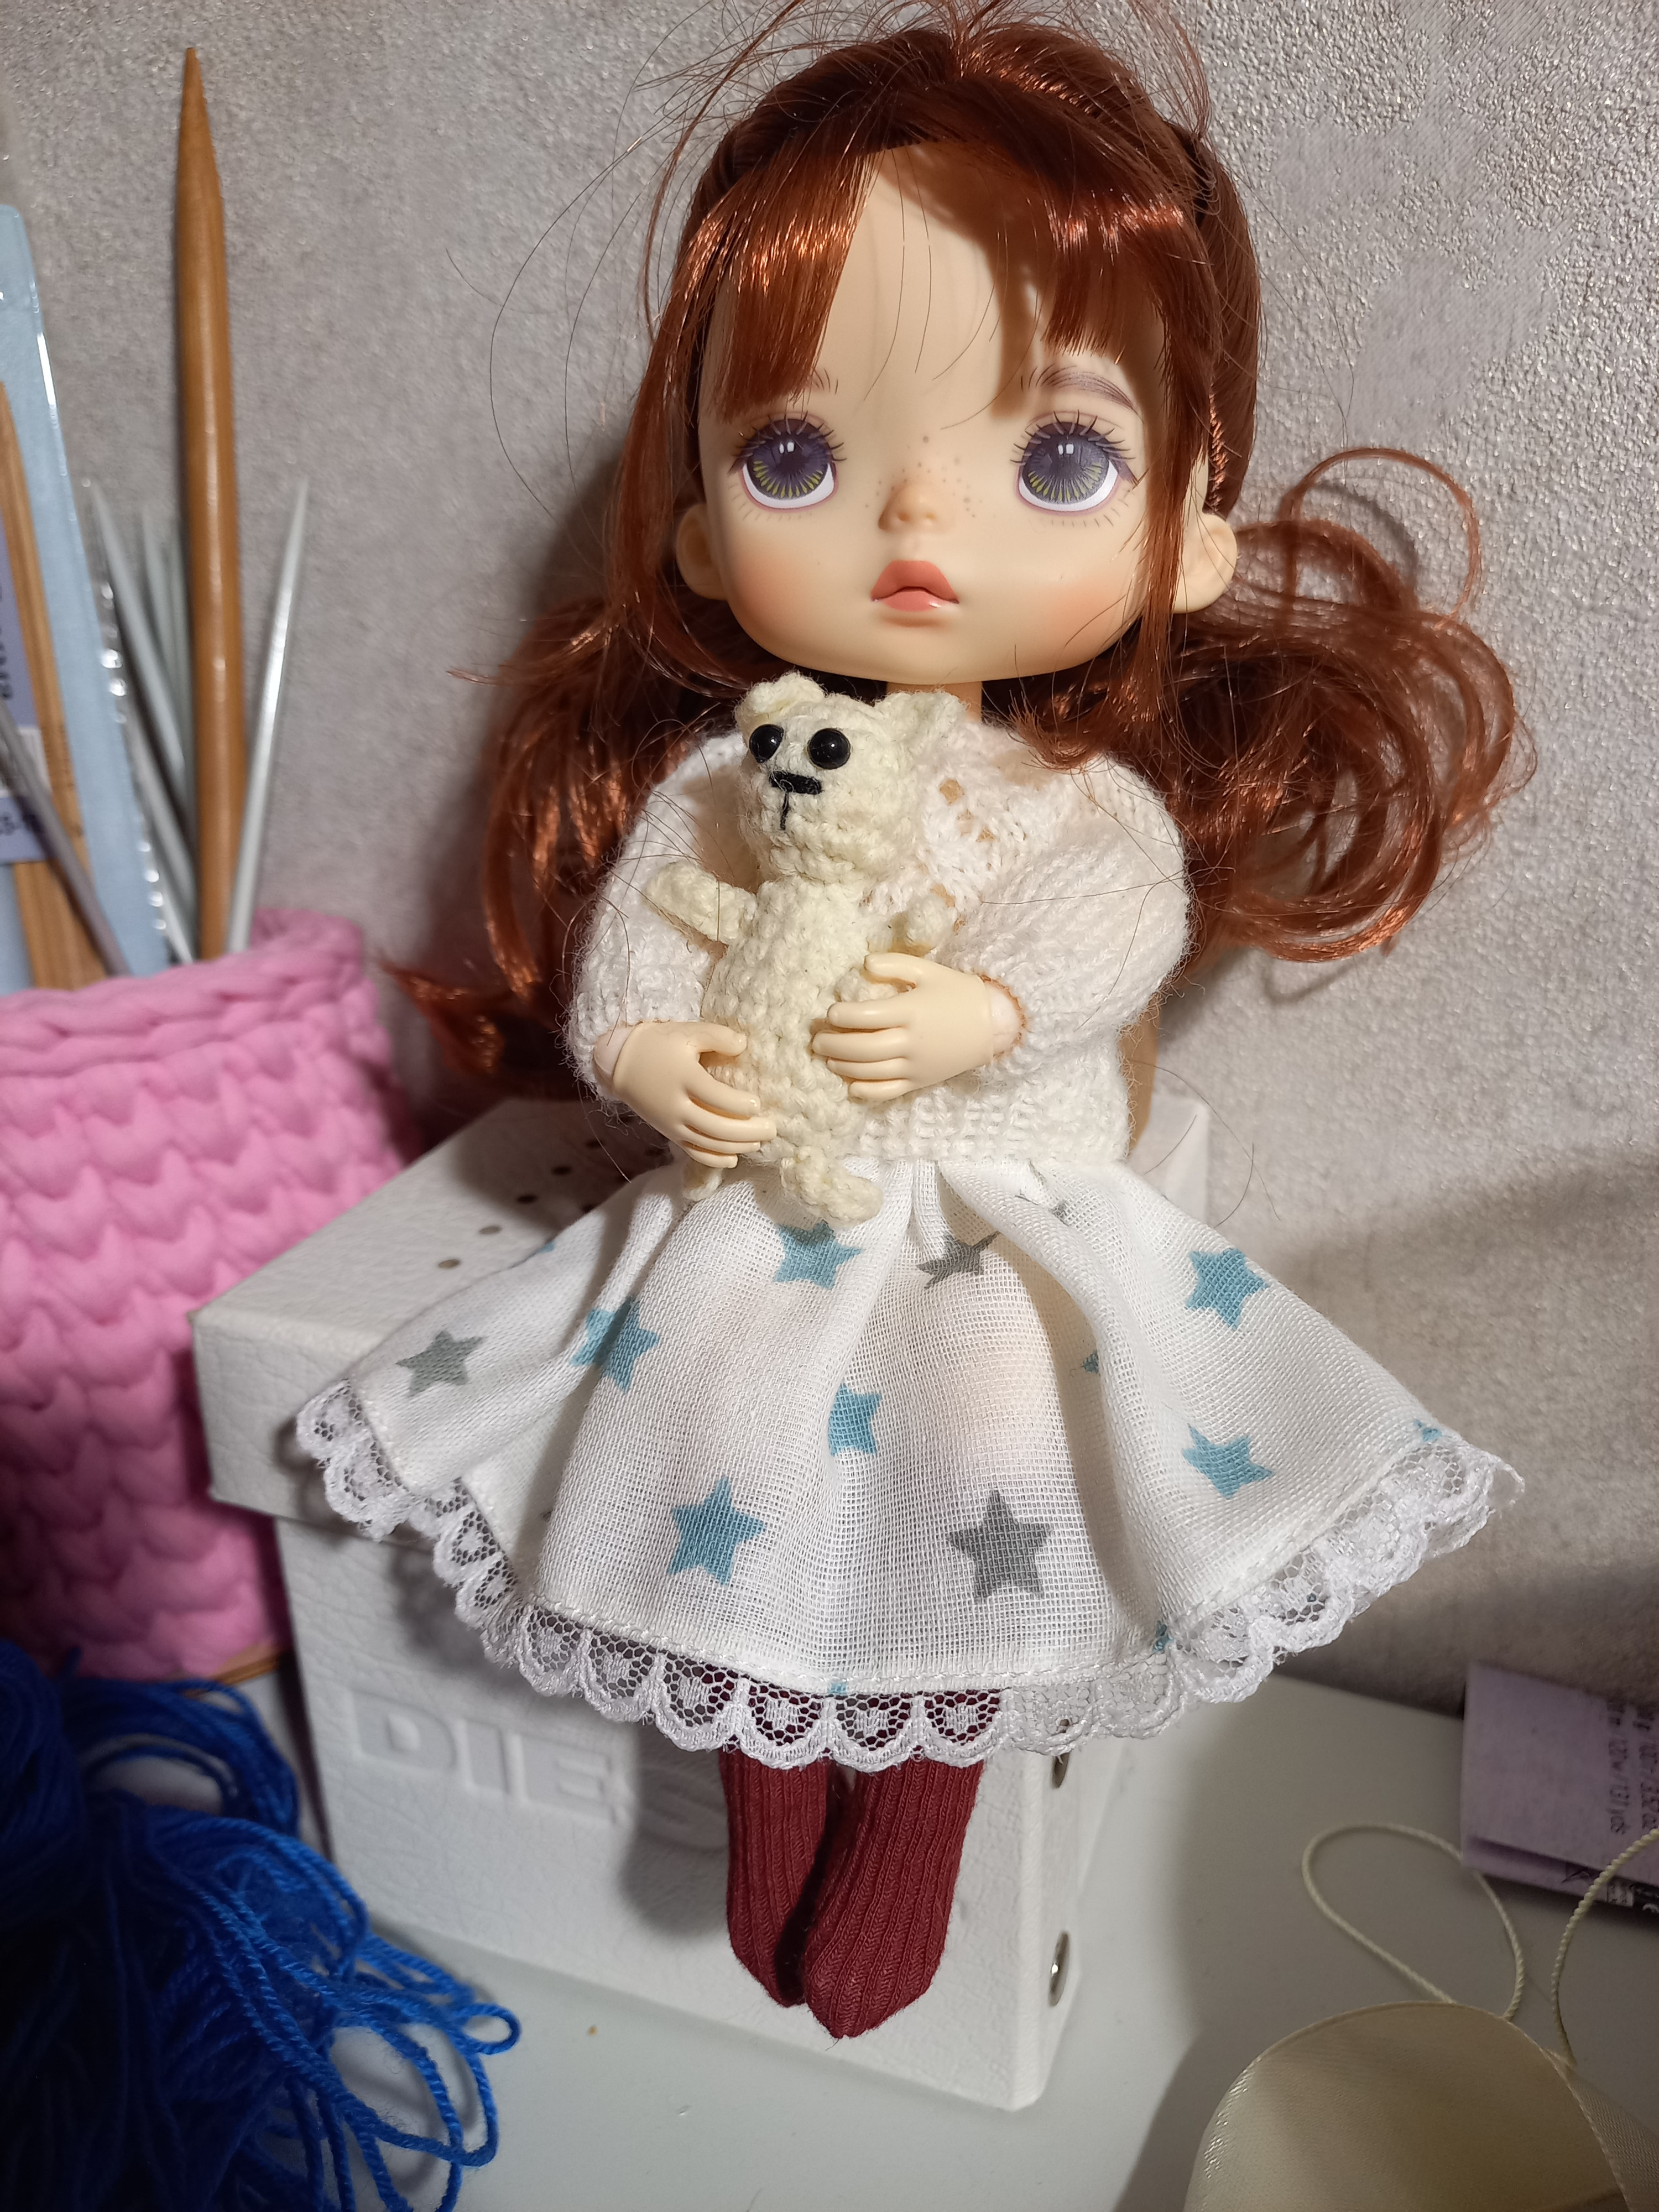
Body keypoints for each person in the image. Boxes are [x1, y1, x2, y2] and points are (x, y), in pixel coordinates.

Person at [300, 3, 1525, 2041]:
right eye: (799, 456)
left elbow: (1112, 915)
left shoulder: (1074, 801)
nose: (916, 531)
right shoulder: (732, 775)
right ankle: (770, 1786)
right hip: (767, 1217)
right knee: (710, 1480)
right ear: (703, 530)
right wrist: (650, 1054)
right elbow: (645, 944)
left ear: (1187, 535)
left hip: (991, 1225)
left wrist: (988, 1004)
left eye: (1057, 459)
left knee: (986, 1489)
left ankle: (921, 1815)